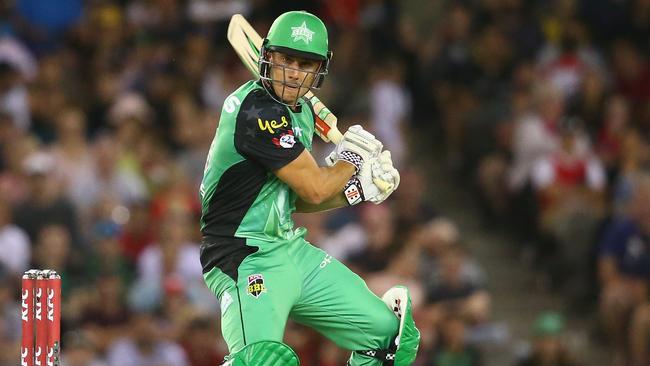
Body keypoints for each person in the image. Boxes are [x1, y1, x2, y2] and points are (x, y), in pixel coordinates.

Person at [198, 10, 419, 366]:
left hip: (291, 249)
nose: (293, 72)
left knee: (389, 336)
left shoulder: (297, 111)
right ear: (267, 57)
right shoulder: (256, 111)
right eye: (287, 59)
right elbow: (315, 188)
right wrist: (351, 161)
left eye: (305, 63)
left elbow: (297, 199)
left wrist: (356, 189)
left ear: (319, 70)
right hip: (243, 257)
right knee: (260, 361)